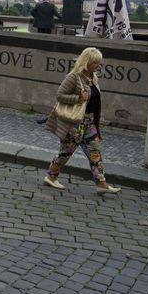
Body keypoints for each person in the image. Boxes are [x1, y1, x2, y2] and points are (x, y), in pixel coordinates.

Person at [44, 47, 121, 195]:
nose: (98, 66)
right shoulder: (74, 77)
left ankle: (101, 183)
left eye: (99, 63)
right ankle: (51, 177)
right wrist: (78, 98)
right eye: (95, 63)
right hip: (74, 124)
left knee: (95, 152)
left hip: (89, 123)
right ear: (86, 62)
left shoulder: (93, 77)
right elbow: (60, 95)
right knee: (65, 153)